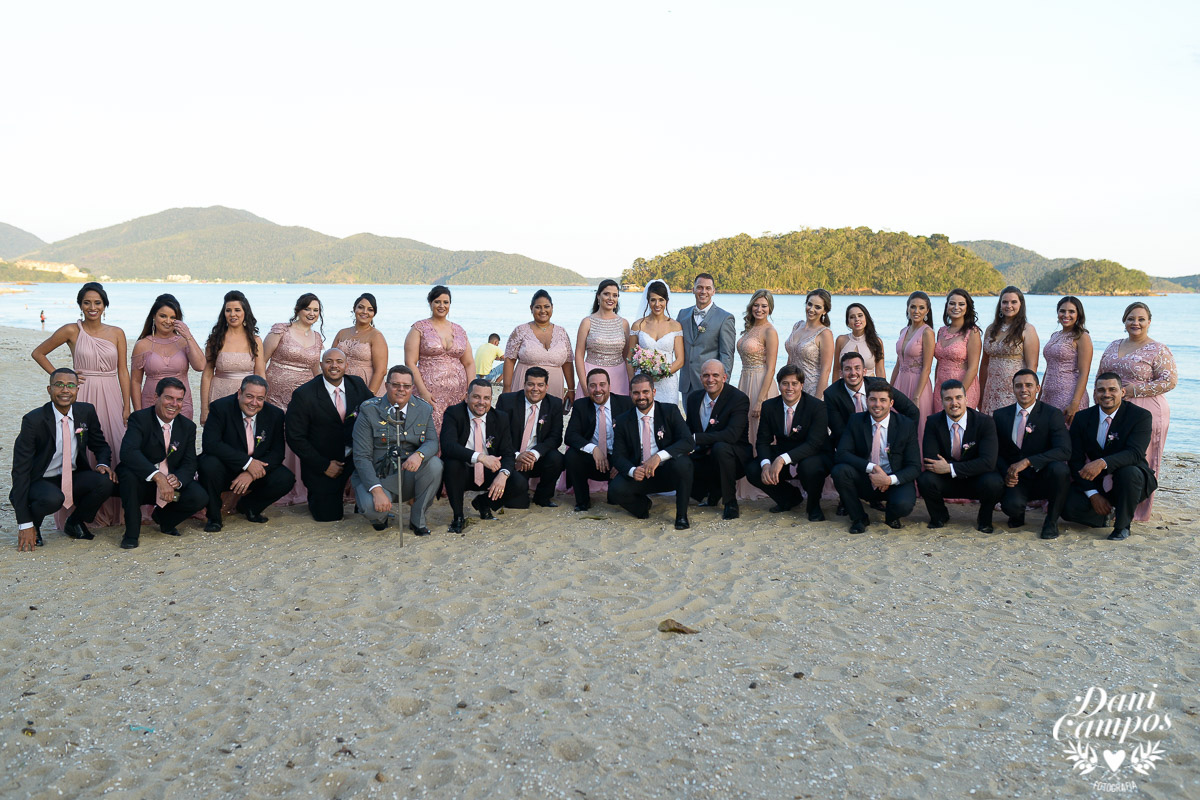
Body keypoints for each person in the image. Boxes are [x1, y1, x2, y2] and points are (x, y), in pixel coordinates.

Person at [32, 281, 130, 528]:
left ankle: (117, 510)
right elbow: (38, 353)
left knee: (115, 445)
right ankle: (83, 513)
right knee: (80, 447)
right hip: (82, 394)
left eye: (97, 302)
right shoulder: (71, 331)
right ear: (80, 305)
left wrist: (127, 405)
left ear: (105, 305)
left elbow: (123, 371)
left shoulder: (117, 332)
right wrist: (64, 378)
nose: (92, 307)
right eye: (87, 302)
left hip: (111, 393)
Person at [11, 368, 116, 550]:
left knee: (105, 482)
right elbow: (20, 471)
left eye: (70, 385)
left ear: (77, 389)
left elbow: (100, 445)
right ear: (49, 389)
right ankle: (34, 525)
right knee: (53, 499)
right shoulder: (33, 421)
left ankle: (74, 522)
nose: (65, 390)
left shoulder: (86, 412)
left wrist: (102, 463)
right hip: (41, 479)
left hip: (73, 475)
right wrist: (24, 523)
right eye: (59, 385)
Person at [1097, 301, 1176, 521]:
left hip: (1147, 409)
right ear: (1124, 321)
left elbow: (1170, 381)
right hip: (1113, 407)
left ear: (1149, 322)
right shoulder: (1113, 345)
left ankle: (1137, 509)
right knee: (1110, 453)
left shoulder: (1158, 349)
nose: (1136, 323)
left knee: (1143, 458)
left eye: (1141, 319)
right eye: (1131, 318)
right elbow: (1101, 373)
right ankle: (1110, 502)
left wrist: (1134, 389)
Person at [1062, 373, 1157, 541]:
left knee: (1128, 473)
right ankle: (1104, 517)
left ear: (1123, 392)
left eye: (1112, 389)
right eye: (1101, 390)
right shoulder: (1082, 418)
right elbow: (1075, 459)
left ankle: (1122, 526)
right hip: (1097, 480)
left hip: (1131, 479)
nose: (1106, 394)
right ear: (1095, 394)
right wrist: (1093, 494)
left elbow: (1135, 453)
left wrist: (1102, 463)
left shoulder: (1140, 416)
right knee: (1068, 507)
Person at [351, 365, 444, 535]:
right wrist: (377, 491)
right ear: (386, 385)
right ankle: (381, 516)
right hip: (379, 474)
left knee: (435, 464)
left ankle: (418, 519)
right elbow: (361, 457)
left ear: (412, 388)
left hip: (409, 473)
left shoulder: (423, 409)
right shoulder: (369, 410)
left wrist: (419, 455)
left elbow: (432, 442)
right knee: (373, 509)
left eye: (406, 386)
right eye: (396, 385)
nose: (401, 390)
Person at [116, 378, 207, 549]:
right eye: (168, 398)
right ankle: (131, 534)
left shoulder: (187, 426)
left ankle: (165, 521)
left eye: (179, 399)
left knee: (199, 496)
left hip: (170, 480)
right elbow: (128, 452)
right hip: (142, 480)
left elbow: (190, 462)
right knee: (128, 476)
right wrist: (157, 476)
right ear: (156, 396)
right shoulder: (139, 419)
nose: (174, 404)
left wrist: (178, 479)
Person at [285, 348, 373, 522]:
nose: (334, 366)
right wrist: (323, 464)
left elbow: (374, 412)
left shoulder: (357, 385)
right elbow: (295, 437)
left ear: (346, 365)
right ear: (320, 365)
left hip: (355, 457)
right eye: (329, 361)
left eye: (339, 362)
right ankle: (319, 496)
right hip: (323, 463)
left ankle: (362, 501)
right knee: (329, 516)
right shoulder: (304, 395)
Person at [198, 375, 294, 530]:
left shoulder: (275, 415)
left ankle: (250, 507)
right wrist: (247, 463)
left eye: (260, 398)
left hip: (255, 470)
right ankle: (214, 518)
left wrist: (251, 473)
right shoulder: (220, 408)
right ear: (239, 394)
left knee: (285, 478)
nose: (254, 403)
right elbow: (211, 444)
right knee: (208, 464)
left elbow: (277, 453)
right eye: (249, 396)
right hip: (225, 467)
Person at [609, 373, 694, 530]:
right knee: (615, 490)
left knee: (684, 463)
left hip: (668, 472)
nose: (641, 397)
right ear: (630, 394)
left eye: (645, 392)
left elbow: (688, 441)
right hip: (641, 475)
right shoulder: (622, 420)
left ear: (653, 392)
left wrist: (658, 457)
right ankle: (643, 507)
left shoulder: (670, 411)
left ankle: (681, 516)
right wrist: (632, 471)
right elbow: (618, 456)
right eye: (636, 393)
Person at [831, 383, 920, 533]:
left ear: (891, 403)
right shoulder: (856, 421)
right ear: (867, 401)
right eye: (873, 399)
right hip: (866, 479)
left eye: (883, 400)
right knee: (839, 471)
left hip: (893, 481)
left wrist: (888, 480)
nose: (877, 404)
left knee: (903, 505)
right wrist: (872, 468)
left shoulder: (906, 425)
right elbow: (842, 453)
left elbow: (915, 466)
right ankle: (859, 518)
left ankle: (891, 517)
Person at [993, 369, 1072, 539]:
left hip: (1043, 476)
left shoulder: (1052, 414)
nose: (1024, 390)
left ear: (1038, 388)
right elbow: (995, 452)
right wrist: (1007, 472)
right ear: (1012, 388)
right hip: (1017, 480)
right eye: (1018, 386)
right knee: (1011, 507)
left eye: (1029, 385)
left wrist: (1029, 461)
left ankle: (1051, 522)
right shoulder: (1000, 415)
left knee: (1061, 470)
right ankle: (1018, 513)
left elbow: (1064, 450)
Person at [746, 364, 830, 521]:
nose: (789, 388)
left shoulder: (817, 406)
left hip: (813, 455)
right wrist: (765, 464)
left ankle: (814, 506)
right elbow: (763, 441)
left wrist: (782, 459)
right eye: (785, 383)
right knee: (753, 469)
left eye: (794, 383)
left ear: (802, 385)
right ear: (779, 385)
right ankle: (789, 498)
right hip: (784, 450)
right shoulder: (769, 406)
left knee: (809, 468)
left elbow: (814, 444)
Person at [917, 380, 1004, 533]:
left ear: (966, 399)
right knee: (925, 479)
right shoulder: (933, 422)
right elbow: (930, 459)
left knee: (994, 481)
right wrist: (962, 467)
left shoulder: (985, 422)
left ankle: (984, 519)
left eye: (958, 397)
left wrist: (950, 467)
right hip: (946, 480)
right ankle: (939, 516)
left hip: (976, 479)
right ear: (941, 401)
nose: (954, 403)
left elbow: (988, 462)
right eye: (948, 399)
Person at [440, 378, 525, 533]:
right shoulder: (454, 413)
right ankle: (458, 516)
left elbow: (508, 452)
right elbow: (448, 446)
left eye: (486, 398)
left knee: (519, 483)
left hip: (488, 471)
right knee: (452, 464)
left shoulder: (500, 418)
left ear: (491, 399)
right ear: (467, 397)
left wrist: (503, 475)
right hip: (463, 470)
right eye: (476, 397)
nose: (481, 402)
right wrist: (481, 457)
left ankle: (483, 503)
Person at [263, 293, 324, 506]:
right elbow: (262, 359)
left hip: (303, 398)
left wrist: (324, 393)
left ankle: (299, 487)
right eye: (308, 309)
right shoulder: (281, 330)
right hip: (274, 395)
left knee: (298, 436)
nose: (311, 313)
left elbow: (316, 368)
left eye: (316, 310)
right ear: (298, 309)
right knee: (277, 436)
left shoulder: (317, 338)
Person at [684, 360, 751, 520]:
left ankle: (730, 502)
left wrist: (697, 439)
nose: (710, 379)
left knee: (720, 448)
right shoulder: (693, 398)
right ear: (700, 378)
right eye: (706, 375)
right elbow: (688, 429)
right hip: (705, 454)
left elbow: (732, 435)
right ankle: (708, 493)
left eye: (715, 375)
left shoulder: (738, 398)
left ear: (724, 377)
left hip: (734, 456)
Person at [563, 368, 634, 512]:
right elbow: (570, 436)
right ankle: (582, 501)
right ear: (587, 387)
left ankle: (615, 492)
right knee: (572, 455)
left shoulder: (625, 403)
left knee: (614, 500)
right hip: (593, 461)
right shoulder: (581, 406)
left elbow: (634, 437)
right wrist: (593, 449)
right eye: (593, 385)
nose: (598, 389)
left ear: (609, 386)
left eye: (602, 384)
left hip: (617, 462)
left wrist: (622, 461)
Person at [406, 285, 474, 433]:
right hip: (430, 392)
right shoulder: (419, 328)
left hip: (458, 394)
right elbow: (410, 362)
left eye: (446, 302)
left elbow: (469, 363)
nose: (442, 306)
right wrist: (423, 392)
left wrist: (470, 389)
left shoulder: (459, 330)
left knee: (454, 429)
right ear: (430, 303)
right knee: (430, 430)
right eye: (437, 302)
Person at [495, 366, 565, 508]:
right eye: (531, 384)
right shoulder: (506, 401)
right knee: (519, 504)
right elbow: (498, 435)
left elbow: (555, 437)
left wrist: (534, 453)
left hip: (537, 459)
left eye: (540, 385)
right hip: (511, 458)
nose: (535, 389)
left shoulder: (555, 404)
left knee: (557, 458)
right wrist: (516, 455)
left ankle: (543, 497)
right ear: (524, 384)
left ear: (546, 386)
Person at [735, 290, 781, 501]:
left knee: (759, 430)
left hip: (761, 383)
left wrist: (761, 399)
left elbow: (771, 368)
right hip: (744, 380)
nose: (759, 309)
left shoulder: (770, 332)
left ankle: (762, 481)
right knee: (743, 430)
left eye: (763, 306)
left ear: (770, 308)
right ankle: (742, 479)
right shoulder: (750, 328)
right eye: (756, 305)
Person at [824, 351, 920, 451]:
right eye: (848, 369)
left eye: (857, 368)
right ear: (841, 373)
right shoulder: (831, 394)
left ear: (864, 371)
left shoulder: (880, 385)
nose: (853, 373)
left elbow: (912, 411)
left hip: (884, 441)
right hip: (852, 447)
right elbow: (839, 431)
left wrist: (901, 440)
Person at [130, 294, 206, 418]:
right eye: (163, 316)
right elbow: (135, 381)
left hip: (181, 405)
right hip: (151, 405)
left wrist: (188, 335)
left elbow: (201, 366)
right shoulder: (142, 345)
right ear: (154, 316)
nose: (168, 321)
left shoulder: (183, 342)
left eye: (173, 317)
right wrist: (138, 413)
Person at [502, 290, 575, 408]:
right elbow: (509, 360)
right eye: (538, 307)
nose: (543, 311)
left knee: (550, 422)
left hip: (554, 387)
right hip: (525, 385)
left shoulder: (562, 332)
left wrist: (571, 389)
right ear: (531, 308)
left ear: (552, 308)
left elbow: (568, 362)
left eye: (546, 306)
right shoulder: (520, 331)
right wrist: (507, 387)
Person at [200, 290, 265, 424]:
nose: (232, 314)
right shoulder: (215, 340)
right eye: (228, 310)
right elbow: (207, 375)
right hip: (218, 393)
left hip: (247, 397)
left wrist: (261, 401)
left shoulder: (255, 340)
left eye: (237, 310)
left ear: (245, 312)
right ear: (224, 314)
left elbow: (260, 373)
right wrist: (204, 409)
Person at [979, 286, 1039, 414]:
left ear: (1021, 304)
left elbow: (1032, 366)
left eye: (1013, 302)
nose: (1008, 305)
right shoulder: (991, 329)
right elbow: (984, 364)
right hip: (991, 390)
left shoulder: (1028, 330)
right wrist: (981, 392)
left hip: (1013, 391)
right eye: (1005, 302)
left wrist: (1026, 394)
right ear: (1000, 304)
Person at [676, 273, 736, 397]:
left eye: (708, 288)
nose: (703, 291)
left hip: (711, 383)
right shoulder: (682, 314)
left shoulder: (725, 318)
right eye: (699, 287)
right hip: (687, 384)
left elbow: (727, 355)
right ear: (693, 290)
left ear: (713, 291)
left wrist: (722, 384)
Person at [890, 291, 936, 454]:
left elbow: (927, 367)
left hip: (918, 384)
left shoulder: (927, 332)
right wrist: (889, 389)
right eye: (913, 307)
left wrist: (916, 396)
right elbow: (897, 363)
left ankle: (918, 469)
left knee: (918, 427)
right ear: (908, 309)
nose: (916, 311)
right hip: (900, 382)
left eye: (921, 307)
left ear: (927, 311)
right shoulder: (904, 330)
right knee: (896, 425)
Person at [629, 281, 685, 406]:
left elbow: (680, 360)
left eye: (661, 300)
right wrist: (633, 382)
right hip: (642, 383)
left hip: (668, 384)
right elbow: (630, 357)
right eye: (653, 300)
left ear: (666, 301)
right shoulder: (638, 325)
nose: (657, 304)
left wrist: (661, 373)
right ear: (648, 301)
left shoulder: (675, 326)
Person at [1039, 296, 1092, 424]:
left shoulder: (1082, 337)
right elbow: (1048, 367)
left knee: (1066, 437)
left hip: (1068, 396)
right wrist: (1040, 395)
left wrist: (1075, 403)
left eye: (1071, 312)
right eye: (1062, 311)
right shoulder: (1055, 335)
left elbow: (1084, 373)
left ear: (1078, 314)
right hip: (1048, 396)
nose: (1066, 315)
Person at [575, 279, 632, 397]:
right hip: (592, 375)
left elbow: (627, 357)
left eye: (615, 295)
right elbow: (579, 355)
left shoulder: (624, 324)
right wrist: (585, 385)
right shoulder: (587, 322)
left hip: (619, 378)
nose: (611, 298)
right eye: (606, 294)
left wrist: (631, 383)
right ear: (598, 296)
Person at [932, 289, 982, 413]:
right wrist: (936, 386)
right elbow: (939, 363)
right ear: (947, 306)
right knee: (942, 427)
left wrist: (959, 394)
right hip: (941, 390)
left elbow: (973, 368)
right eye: (952, 303)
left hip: (964, 389)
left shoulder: (972, 332)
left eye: (961, 304)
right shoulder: (941, 331)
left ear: (967, 308)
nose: (956, 307)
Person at [333, 293, 388, 395]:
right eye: (361, 307)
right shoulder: (342, 333)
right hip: (342, 385)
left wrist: (368, 395)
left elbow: (381, 371)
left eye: (370, 309)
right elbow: (331, 360)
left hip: (366, 386)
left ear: (374, 313)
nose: (365, 312)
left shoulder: (376, 336)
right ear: (354, 309)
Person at [784, 288, 835, 397]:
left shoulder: (825, 334)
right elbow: (791, 357)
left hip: (812, 390)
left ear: (824, 311)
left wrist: (817, 400)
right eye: (809, 304)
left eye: (817, 307)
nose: (811, 309)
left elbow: (825, 371)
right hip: (791, 388)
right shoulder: (797, 325)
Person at [834, 302, 886, 381]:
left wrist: (883, 391)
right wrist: (834, 391)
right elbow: (836, 369)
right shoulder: (841, 340)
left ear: (866, 318)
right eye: (852, 317)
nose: (857, 319)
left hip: (870, 388)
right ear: (848, 323)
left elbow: (880, 371)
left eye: (860, 315)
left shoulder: (877, 342)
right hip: (845, 389)